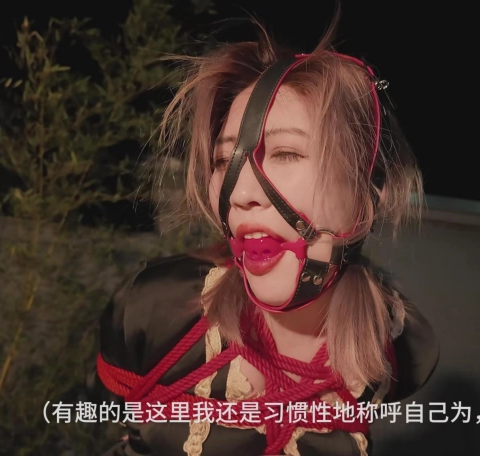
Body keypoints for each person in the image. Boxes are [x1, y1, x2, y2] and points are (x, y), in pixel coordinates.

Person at [87, 18, 439, 456]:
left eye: (286, 153)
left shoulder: (399, 344)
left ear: (369, 192)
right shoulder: (153, 311)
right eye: (223, 161)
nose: (240, 195)